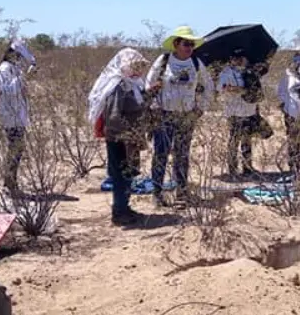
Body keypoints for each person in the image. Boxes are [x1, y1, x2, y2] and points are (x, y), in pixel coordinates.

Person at [146, 26, 213, 205]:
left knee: (182, 154)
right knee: (161, 153)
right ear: (176, 44)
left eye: (192, 44)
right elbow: (149, 85)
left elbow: (208, 87)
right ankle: (157, 193)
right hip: (164, 115)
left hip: (186, 116)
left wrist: (200, 109)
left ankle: (182, 193)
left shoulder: (197, 64)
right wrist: (154, 108)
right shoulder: (163, 61)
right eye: (186, 43)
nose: (189, 47)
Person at [89, 48, 151, 225]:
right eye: (136, 66)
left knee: (129, 173)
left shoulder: (134, 85)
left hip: (131, 138)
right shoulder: (118, 87)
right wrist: (128, 134)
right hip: (119, 139)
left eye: (141, 66)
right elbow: (114, 116)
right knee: (120, 175)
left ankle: (125, 207)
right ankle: (119, 212)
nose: (139, 70)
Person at [0, 37, 36, 194]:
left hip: (16, 114)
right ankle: (9, 183)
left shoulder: (13, 68)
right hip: (10, 115)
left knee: (17, 148)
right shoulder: (4, 69)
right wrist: (25, 77)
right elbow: (7, 90)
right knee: (15, 148)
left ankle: (11, 182)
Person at [218, 50, 259, 178]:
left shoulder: (249, 72)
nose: (239, 60)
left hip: (249, 109)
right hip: (234, 111)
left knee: (247, 139)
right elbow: (222, 88)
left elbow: (255, 88)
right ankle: (232, 168)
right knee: (234, 139)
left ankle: (247, 167)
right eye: (236, 58)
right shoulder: (226, 73)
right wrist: (236, 89)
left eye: (241, 58)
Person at [276, 47, 300, 176]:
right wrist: (285, 107)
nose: (299, 62)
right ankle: (294, 166)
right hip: (292, 113)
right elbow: (281, 93)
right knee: (293, 140)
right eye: (297, 59)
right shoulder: (287, 76)